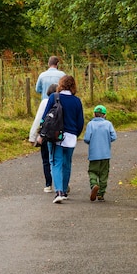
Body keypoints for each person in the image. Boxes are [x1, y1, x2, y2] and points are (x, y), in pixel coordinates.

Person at [39, 75, 84, 204]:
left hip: (56, 135)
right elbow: (80, 122)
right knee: (67, 163)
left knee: (56, 163)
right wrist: (75, 134)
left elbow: (45, 117)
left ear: (61, 84)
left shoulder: (54, 97)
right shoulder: (77, 101)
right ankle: (64, 190)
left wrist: (42, 133)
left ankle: (58, 192)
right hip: (71, 137)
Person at [83, 104, 117, 202]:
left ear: (94, 114)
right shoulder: (108, 124)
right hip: (106, 154)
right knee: (104, 173)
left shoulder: (90, 124)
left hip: (94, 154)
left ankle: (94, 185)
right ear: (104, 115)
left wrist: (91, 141)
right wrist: (107, 140)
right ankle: (101, 194)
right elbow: (114, 137)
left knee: (92, 171)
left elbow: (86, 139)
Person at [28, 83, 56, 192]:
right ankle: (62, 183)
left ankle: (48, 184)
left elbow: (38, 119)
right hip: (58, 134)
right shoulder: (62, 101)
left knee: (46, 160)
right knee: (58, 159)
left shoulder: (45, 102)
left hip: (45, 134)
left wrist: (32, 136)